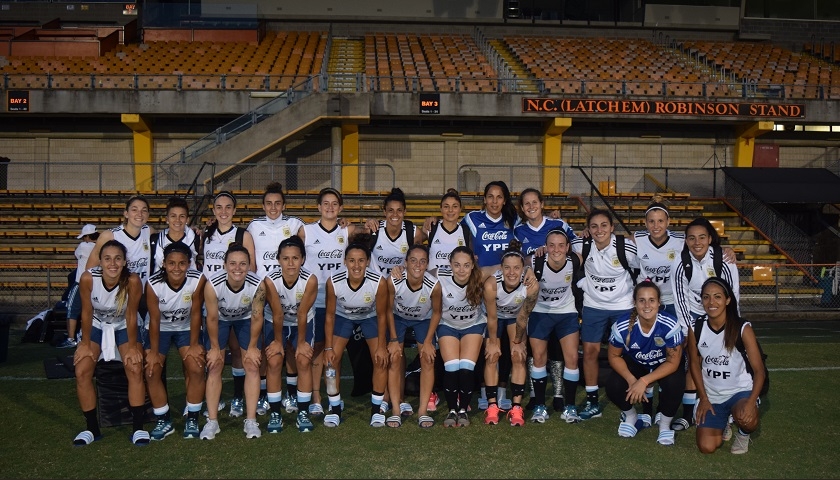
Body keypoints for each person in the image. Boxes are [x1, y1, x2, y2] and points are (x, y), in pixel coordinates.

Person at [71, 240, 147, 446]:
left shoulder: (132, 280)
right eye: (107, 259)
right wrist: (85, 343)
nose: (112, 264)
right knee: (82, 371)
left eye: (117, 258)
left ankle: (138, 428)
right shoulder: (88, 278)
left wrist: (133, 347)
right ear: (100, 261)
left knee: (134, 367)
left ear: (124, 262)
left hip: (123, 324)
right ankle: (92, 429)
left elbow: (131, 315)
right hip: (97, 324)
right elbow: (87, 312)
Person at [671, 217, 740, 431]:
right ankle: (688, 414)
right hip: (693, 316)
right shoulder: (680, 262)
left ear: (710, 238)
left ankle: (727, 411)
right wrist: (688, 330)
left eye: (702, 237)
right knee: (694, 361)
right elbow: (680, 299)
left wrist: (732, 327)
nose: (697, 242)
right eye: (692, 238)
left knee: (723, 362)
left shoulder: (724, 260)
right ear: (686, 241)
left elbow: (733, 296)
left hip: (720, 316)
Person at [514, 187, 578, 413]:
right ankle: (536, 397)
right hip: (537, 302)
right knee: (537, 354)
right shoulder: (518, 230)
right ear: (522, 208)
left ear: (542, 204)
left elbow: (577, 246)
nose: (531, 206)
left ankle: (560, 396)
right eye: (527, 203)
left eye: (535, 202)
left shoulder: (558, 224)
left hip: (564, 307)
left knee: (562, 353)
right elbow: (517, 258)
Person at [571, 208, 639, 421]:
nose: (599, 230)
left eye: (603, 225)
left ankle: (631, 395)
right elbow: (559, 249)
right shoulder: (580, 244)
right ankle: (593, 402)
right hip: (594, 306)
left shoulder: (626, 247)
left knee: (627, 352)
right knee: (589, 352)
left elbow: (644, 267)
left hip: (623, 306)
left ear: (612, 227)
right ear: (588, 229)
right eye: (594, 226)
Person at [299, 187, 358, 419]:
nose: (330, 207)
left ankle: (334, 394)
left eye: (335, 204)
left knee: (333, 352)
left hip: (339, 301)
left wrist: (365, 223)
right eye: (326, 203)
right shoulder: (306, 231)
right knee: (316, 349)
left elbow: (367, 234)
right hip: (315, 300)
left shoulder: (347, 230)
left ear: (340, 208)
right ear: (318, 207)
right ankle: (316, 398)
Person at [688, 277, 764, 454]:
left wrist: (751, 402)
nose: (711, 302)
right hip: (712, 395)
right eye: (706, 297)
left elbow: (759, 370)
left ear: (728, 300)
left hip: (740, 392)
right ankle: (725, 421)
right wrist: (703, 398)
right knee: (706, 447)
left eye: (717, 297)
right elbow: (694, 364)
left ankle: (743, 434)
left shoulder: (742, 328)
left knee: (746, 419)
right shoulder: (695, 327)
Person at [247, 182, 304, 414]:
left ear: (284, 205)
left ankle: (291, 393)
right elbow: (252, 261)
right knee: (264, 344)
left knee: (288, 345)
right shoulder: (254, 226)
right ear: (263, 205)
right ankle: (262, 395)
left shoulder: (295, 224)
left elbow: (304, 250)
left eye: (277, 203)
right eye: (269, 203)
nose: (273, 207)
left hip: (288, 290)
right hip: (263, 291)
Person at [199, 190, 256, 418]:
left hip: (238, 300)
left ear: (234, 210)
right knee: (214, 354)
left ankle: (238, 397)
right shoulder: (205, 234)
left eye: (228, 207)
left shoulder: (243, 234)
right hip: (214, 300)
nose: (223, 211)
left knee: (238, 350)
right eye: (219, 207)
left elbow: (251, 267)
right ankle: (216, 399)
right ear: (213, 210)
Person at [606, 281, 685, 445]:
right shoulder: (622, 325)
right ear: (634, 303)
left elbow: (673, 362)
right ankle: (632, 416)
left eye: (652, 300)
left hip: (663, 364)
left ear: (659, 302)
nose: (647, 305)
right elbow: (613, 356)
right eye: (642, 300)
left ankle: (665, 425)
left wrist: (643, 381)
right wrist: (631, 379)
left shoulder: (670, 324)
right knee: (613, 384)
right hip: (638, 363)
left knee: (675, 382)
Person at [323, 235, 390, 428]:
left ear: (368, 262)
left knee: (380, 359)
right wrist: (328, 347)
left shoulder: (379, 282)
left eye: (361, 260)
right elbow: (329, 316)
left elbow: (382, 315)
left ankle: (376, 409)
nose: (356, 265)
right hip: (343, 317)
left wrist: (382, 346)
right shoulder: (333, 281)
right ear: (345, 261)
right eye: (351, 260)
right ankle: (335, 408)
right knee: (331, 362)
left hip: (369, 316)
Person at [517, 229, 583, 424]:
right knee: (538, 357)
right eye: (551, 245)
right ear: (545, 247)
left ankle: (570, 407)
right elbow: (522, 263)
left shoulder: (575, 260)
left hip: (566, 312)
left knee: (572, 358)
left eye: (561, 245)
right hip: (540, 312)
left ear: (568, 247)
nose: (556, 250)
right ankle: (539, 406)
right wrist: (527, 269)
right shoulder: (536, 261)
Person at [144, 243, 205, 440]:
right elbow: (154, 320)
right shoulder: (153, 284)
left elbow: (196, 313)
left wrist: (194, 345)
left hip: (186, 327)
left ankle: (192, 417)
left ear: (189, 264)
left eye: (181, 263)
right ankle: (164, 420)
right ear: (164, 264)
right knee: (152, 370)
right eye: (171, 263)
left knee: (196, 367)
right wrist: (154, 352)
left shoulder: (198, 280)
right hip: (160, 329)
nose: (176, 268)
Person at [201, 243, 263, 439]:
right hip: (220, 320)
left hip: (245, 319)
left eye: (243, 263)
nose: (238, 268)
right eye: (233, 263)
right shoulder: (212, 285)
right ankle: (212, 421)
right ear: (225, 265)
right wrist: (214, 347)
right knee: (214, 365)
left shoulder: (258, 285)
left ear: (249, 265)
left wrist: (252, 347)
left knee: (251, 364)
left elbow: (257, 317)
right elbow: (211, 318)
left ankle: (251, 420)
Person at [258, 236, 319, 433]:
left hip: (303, 320)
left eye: (295, 258)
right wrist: (278, 341)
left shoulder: (310, 280)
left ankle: (303, 412)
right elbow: (277, 313)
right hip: (276, 321)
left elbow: (302, 313)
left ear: (303, 259)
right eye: (285, 258)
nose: (290, 263)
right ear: (278, 260)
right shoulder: (270, 281)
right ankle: (275, 413)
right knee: (274, 361)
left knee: (303, 360)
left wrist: (301, 343)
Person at [384, 245, 442, 428]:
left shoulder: (434, 285)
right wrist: (393, 340)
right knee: (394, 357)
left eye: (422, 261)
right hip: (398, 318)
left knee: (428, 359)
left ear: (427, 264)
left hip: (423, 320)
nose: (418, 265)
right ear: (406, 262)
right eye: (413, 260)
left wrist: (428, 341)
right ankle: (395, 410)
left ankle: (423, 411)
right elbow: (387, 310)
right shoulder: (394, 281)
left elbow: (437, 313)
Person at [482, 242, 538, 426]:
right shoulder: (491, 284)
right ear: (501, 268)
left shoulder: (531, 286)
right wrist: (492, 341)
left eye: (516, 268)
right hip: (495, 317)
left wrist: (518, 341)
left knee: (518, 356)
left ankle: (516, 407)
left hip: (516, 318)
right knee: (492, 355)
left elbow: (523, 317)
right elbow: (492, 318)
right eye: (507, 268)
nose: (512, 272)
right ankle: (492, 405)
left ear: (523, 269)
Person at [437, 246, 486, 427]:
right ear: (450, 264)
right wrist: (400, 269)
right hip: (448, 325)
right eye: (457, 265)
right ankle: (452, 410)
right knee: (451, 367)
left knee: (466, 368)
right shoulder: (439, 275)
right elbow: (417, 272)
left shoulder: (480, 276)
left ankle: (463, 410)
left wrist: (528, 269)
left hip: (473, 325)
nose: (461, 270)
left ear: (473, 265)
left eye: (466, 265)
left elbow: (499, 267)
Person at [86, 195, 153, 287]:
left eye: (144, 210)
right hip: (117, 291)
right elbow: (90, 269)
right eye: (134, 210)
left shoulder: (149, 231)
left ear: (148, 214)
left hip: (141, 291)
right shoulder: (110, 236)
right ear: (126, 213)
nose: (140, 214)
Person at [461, 181, 519, 280]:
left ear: (504, 201)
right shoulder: (472, 218)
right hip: (481, 278)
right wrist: (434, 220)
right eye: (490, 196)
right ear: (484, 199)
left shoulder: (514, 220)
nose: (494, 201)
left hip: (507, 278)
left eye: (499, 197)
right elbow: (452, 229)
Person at [366, 187, 426, 276]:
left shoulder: (413, 232)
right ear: (384, 212)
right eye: (391, 210)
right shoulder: (374, 229)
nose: (395, 214)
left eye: (399, 210)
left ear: (405, 212)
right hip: (376, 282)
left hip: (399, 281)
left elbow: (418, 257)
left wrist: (404, 268)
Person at [60, 224, 99, 348]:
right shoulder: (102, 247)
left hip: (81, 283)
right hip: (97, 284)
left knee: (72, 310)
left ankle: (71, 338)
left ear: (87, 237)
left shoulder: (83, 246)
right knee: (92, 312)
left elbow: (76, 255)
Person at [150, 197, 199, 275]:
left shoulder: (196, 238)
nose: (177, 220)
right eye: (173, 216)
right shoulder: (155, 239)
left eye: (182, 216)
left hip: (189, 282)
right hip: (160, 281)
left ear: (187, 220)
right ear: (167, 219)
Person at [425, 188, 470, 272]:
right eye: (446, 206)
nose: (450, 210)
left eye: (455, 206)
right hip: (433, 279)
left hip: (457, 279)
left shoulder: (465, 231)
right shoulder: (431, 227)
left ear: (460, 209)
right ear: (441, 209)